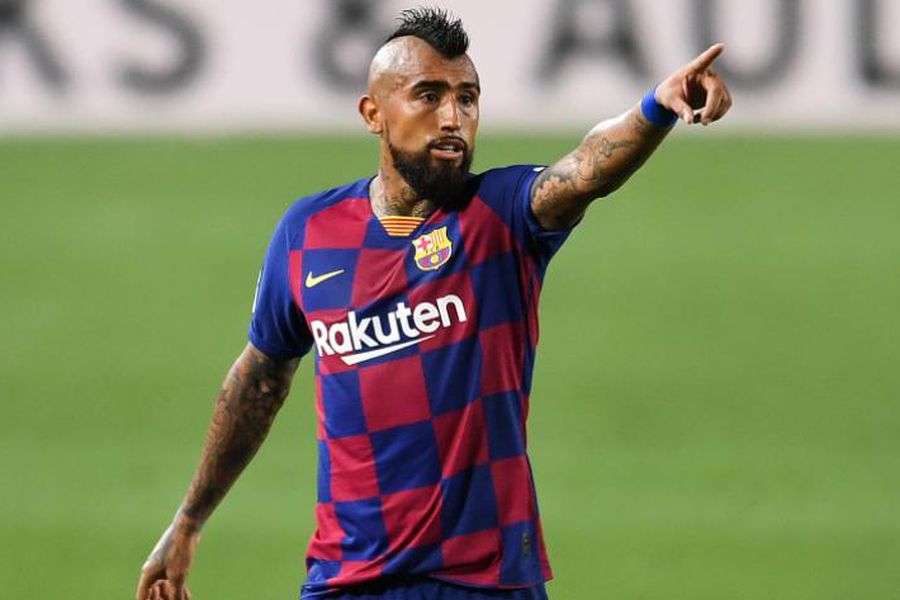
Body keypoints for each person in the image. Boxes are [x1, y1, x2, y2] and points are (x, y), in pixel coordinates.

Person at [136, 7, 732, 600]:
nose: (453, 118)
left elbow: (583, 171)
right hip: (348, 582)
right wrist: (187, 521)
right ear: (373, 113)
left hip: (485, 581)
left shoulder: (500, 216)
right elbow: (259, 381)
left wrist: (656, 106)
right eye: (428, 96)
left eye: (467, 99)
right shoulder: (308, 233)